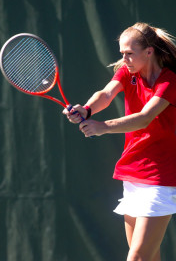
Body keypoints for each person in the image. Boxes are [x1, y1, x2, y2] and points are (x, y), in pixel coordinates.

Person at [63, 22, 176, 261]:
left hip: (160, 178)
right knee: (149, 257)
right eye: (121, 53)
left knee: (136, 258)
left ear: (149, 51)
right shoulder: (127, 72)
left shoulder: (170, 82)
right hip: (133, 174)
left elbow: (145, 118)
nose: (124, 59)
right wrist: (86, 110)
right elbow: (106, 94)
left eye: (129, 54)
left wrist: (102, 127)